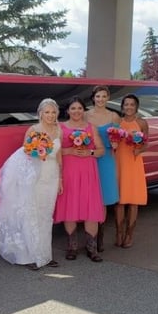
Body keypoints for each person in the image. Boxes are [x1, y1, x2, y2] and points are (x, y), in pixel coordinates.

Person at [0, 98, 63, 270]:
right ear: (40, 113)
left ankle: (45, 255)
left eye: (53, 112)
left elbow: (59, 156)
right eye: (47, 112)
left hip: (52, 176)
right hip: (35, 176)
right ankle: (30, 256)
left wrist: (60, 178)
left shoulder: (58, 129)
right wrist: (36, 154)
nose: (50, 115)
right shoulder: (33, 130)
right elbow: (24, 155)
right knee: (32, 214)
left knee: (46, 215)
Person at [54, 97, 106, 262]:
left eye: (79, 108)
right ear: (68, 111)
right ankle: (72, 246)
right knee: (70, 206)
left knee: (90, 206)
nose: (76, 111)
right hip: (69, 171)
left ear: (84, 110)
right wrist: (69, 151)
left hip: (88, 172)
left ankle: (92, 248)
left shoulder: (91, 128)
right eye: (73, 108)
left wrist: (89, 152)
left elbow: (101, 150)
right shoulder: (60, 128)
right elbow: (53, 151)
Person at [85, 85, 121, 252]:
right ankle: (90, 236)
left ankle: (100, 238)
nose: (100, 99)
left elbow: (119, 139)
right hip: (89, 158)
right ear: (93, 98)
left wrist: (115, 143)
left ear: (108, 98)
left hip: (106, 159)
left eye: (104, 96)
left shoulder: (114, 116)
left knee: (104, 198)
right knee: (90, 196)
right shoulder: (85, 115)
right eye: (98, 96)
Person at [114, 94, 149, 249]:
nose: (129, 107)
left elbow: (146, 143)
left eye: (132, 104)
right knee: (119, 201)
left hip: (134, 163)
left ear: (136, 106)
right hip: (119, 162)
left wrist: (139, 149)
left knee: (133, 201)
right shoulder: (117, 123)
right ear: (122, 106)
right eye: (126, 104)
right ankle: (119, 232)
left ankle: (129, 234)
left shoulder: (141, 123)